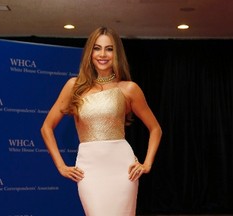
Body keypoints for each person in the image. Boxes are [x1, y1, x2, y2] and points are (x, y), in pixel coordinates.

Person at [40, 26, 162, 216]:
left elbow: (155, 129)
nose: (102, 54)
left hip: (123, 170)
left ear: (117, 53)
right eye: (97, 48)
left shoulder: (129, 89)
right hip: (90, 170)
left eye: (109, 49)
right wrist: (61, 166)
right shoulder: (74, 86)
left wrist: (146, 164)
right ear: (90, 52)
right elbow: (46, 127)